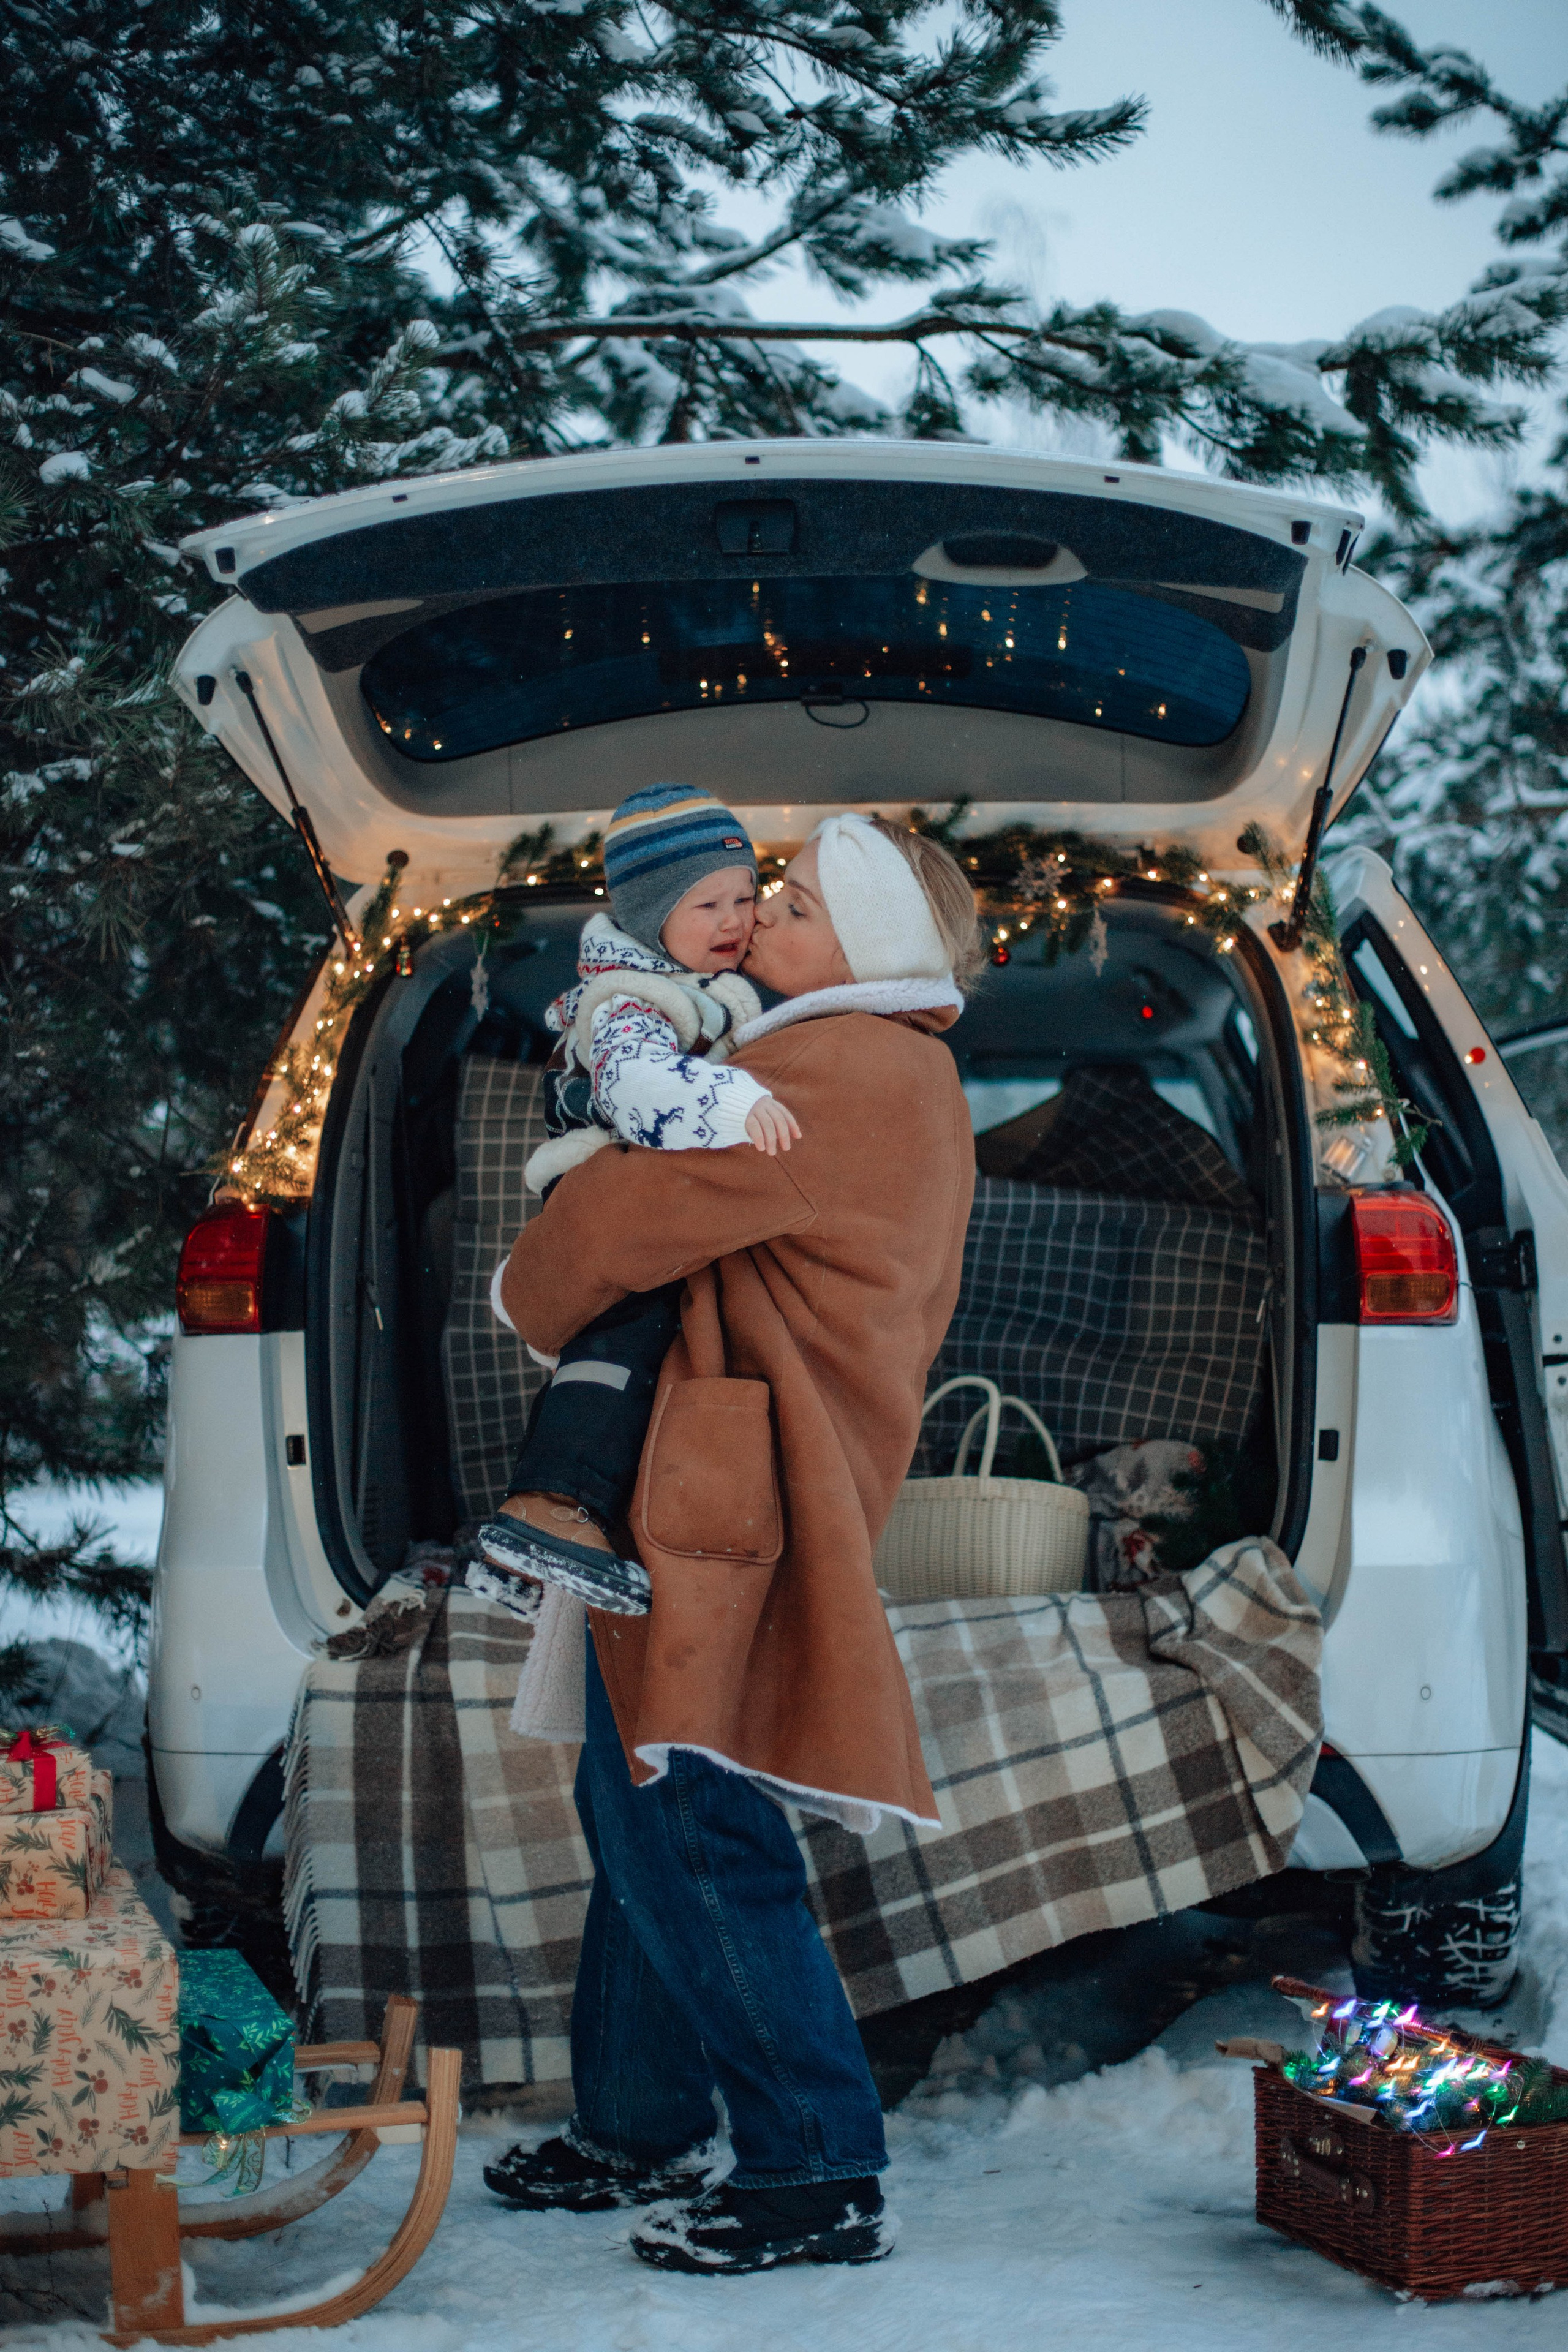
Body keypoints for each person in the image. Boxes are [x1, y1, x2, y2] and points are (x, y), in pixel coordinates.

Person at [481, 812, 983, 2275]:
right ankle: (637, 2122)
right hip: (720, 1485)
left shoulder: (840, 1065)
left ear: (868, 948)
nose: (763, 913)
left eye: (802, 903)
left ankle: (816, 2167)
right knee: (640, 1790)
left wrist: (549, 1242)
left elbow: (581, 1248)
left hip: (732, 1500)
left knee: (695, 1830)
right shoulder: (860, 1062)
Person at [468, 782, 801, 1619]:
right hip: (604, 1198)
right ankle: (548, 1506)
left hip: (646, 1203)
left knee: (625, 1371)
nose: (735, 919)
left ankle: (516, 1562)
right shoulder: (633, 1003)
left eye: (745, 897)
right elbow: (634, 1086)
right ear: (652, 918)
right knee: (626, 1345)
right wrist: (735, 1104)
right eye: (707, 904)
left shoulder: (699, 991)